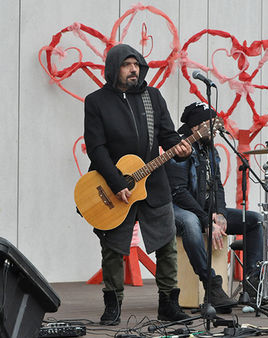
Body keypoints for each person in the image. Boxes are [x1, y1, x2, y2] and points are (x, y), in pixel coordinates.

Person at [83, 43, 192, 325]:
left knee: (166, 243)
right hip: (113, 184)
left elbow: (167, 136)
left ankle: (169, 303)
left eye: (137, 64)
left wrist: (180, 147)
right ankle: (113, 304)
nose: (134, 69)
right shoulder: (96, 101)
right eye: (127, 64)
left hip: (154, 184)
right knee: (113, 247)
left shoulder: (152, 96)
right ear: (114, 68)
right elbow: (96, 148)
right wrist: (117, 181)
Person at [165, 102, 268, 313]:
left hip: (203, 209)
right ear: (195, 128)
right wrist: (206, 219)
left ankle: (254, 283)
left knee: (256, 220)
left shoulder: (210, 149)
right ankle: (212, 286)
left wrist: (222, 214)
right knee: (190, 223)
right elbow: (178, 192)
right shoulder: (181, 148)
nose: (215, 129)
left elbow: (217, 186)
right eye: (210, 124)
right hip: (179, 208)